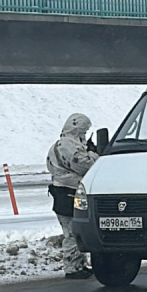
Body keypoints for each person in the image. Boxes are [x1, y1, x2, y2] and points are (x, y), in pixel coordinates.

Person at [48, 113, 99, 279]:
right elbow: (87, 166)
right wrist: (94, 153)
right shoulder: (68, 146)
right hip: (68, 193)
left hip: (63, 193)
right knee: (72, 233)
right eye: (84, 130)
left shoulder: (60, 144)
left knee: (74, 231)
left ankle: (79, 264)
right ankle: (72, 268)